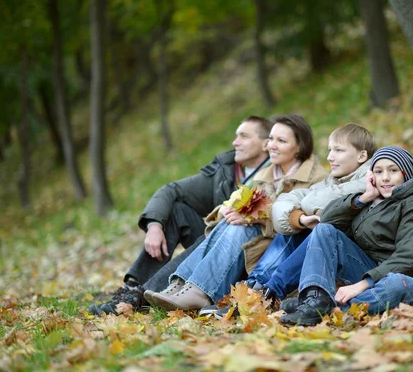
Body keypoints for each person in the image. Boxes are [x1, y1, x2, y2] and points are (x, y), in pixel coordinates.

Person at [89, 116, 273, 315]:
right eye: (236, 136)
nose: (235, 142)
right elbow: (171, 190)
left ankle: (139, 298)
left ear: (265, 143)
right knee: (177, 211)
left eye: (244, 136)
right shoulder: (227, 170)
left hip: (249, 256)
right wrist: (154, 225)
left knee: (212, 234)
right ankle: (133, 288)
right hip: (213, 250)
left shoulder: (276, 173)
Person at [145, 114, 328, 311]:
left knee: (240, 226)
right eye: (272, 139)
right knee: (232, 221)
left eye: (281, 141)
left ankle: (200, 291)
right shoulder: (265, 174)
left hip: (275, 254)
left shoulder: (317, 179)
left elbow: (303, 226)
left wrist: (253, 217)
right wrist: (226, 210)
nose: (272, 146)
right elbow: (237, 201)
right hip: (245, 247)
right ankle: (181, 284)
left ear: (299, 147)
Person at [205, 123, 377, 318]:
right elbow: (283, 203)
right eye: (330, 150)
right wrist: (300, 218)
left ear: (362, 156)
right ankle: (255, 290)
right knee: (293, 229)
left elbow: (317, 200)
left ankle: (265, 295)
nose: (330, 157)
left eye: (338, 151)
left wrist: (303, 208)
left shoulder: (371, 179)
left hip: (364, 268)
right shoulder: (333, 181)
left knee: (318, 231)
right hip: (335, 258)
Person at [279, 146, 413, 326]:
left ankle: (331, 309)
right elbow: (328, 220)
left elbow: (411, 257)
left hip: (411, 275)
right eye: (378, 171)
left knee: (396, 285)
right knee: (323, 230)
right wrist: (363, 198)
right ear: (371, 176)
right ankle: (316, 297)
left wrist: (362, 284)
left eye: (393, 170)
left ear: (405, 174)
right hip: (373, 269)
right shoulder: (372, 200)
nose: (385, 177)